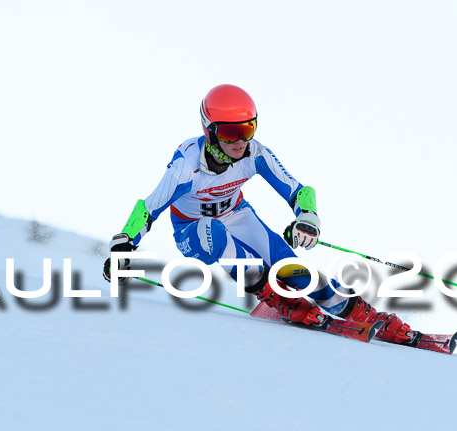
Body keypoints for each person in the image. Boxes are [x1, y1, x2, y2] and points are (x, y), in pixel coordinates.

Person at [104, 84, 415, 343]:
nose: (240, 141)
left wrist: (307, 219)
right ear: (210, 132)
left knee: (292, 269)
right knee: (214, 230)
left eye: (247, 129)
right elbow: (149, 207)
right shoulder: (186, 167)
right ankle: (276, 297)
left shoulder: (255, 153)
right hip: (193, 230)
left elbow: (299, 190)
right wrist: (124, 245)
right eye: (229, 133)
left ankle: (363, 313)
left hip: (237, 213)